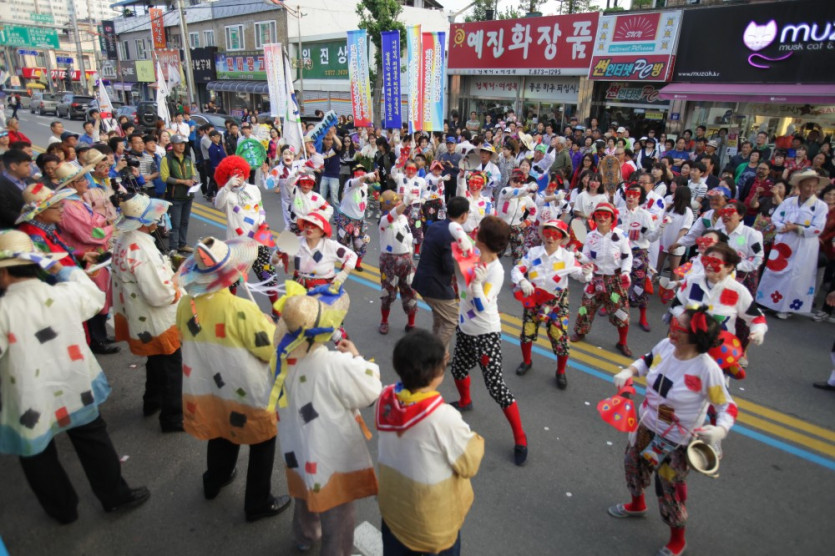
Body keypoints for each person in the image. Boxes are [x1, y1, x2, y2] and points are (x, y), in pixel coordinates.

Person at [0, 230, 150, 524]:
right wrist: (61, 268)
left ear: (4, 273)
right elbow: (94, 296)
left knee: (38, 454)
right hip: (74, 384)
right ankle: (115, 496)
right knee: (93, 439)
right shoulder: (65, 293)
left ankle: (63, 509)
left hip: (28, 396)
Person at [175, 236, 292, 522]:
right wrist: (270, 326)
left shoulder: (186, 304)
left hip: (207, 387)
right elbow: (269, 351)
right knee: (262, 440)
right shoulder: (241, 309)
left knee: (220, 429)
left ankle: (215, 479)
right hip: (244, 390)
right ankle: (257, 502)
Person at [608, 306, 738, 556]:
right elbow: (646, 360)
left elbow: (727, 406)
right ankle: (637, 504)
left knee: (669, 490)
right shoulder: (666, 346)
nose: (671, 329)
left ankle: (677, 539)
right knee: (632, 464)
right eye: (673, 323)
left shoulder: (707, 369)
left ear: (694, 337)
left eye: (678, 326)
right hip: (646, 425)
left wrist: (720, 430)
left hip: (675, 441)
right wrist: (629, 371)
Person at [272, 290, 382, 553]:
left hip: (296, 444)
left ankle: (304, 536)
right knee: (338, 512)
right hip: (330, 452)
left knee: (304, 490)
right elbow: (370, 389)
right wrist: (356, 356)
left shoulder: (280, 360)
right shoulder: (334, 364)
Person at [376, 330, 484, 555]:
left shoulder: (386, 398)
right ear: (437, 372)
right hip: (431, 531)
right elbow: (469, 464)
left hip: (394, 517)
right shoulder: (442, 418)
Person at [450, 215, 528, 466]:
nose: (474, 231)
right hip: (465, 328)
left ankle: (520, 437)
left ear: (483, 239)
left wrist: (476, 284)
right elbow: (452, 225)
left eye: (479, 230)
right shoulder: (471, 252)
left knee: (496, 386)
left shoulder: (495, 271)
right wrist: (461, 238)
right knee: (458, 368)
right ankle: (465, 401)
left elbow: (481, 306)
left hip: (486, 333)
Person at [111, 193, 184, 432]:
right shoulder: (141, 248)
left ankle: (152, 402)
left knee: (155, 360)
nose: (158, 219)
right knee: (170, 366)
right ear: (146, 220)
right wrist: (177, 282)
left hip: (139, 315)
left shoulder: (125, 240)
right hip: (156, 318)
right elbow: (159, 293)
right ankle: (172, 417)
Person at [512, 219, 592, 388]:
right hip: (533, 297)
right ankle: (527, 362)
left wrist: (586, 273)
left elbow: (580, 275)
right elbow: (518, 269)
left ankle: (560, 371)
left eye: (555, 235)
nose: (550, 238)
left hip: (557, 302)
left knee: (560, 338)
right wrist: (522, 281)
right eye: (547, 233)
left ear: (562, 238)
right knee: (527, 332)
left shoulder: (567, 257)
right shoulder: (533, 252)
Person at [757, 168, 829, 319]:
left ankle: (786, 308)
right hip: (785, 241)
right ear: (800, 185)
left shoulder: (821, 206)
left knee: (797, 275)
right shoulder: (789, 202)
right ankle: (767, 302)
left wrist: (797, 228)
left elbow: (818, 228)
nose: (810, 189)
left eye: (813, 186)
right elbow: (776, 218)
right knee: (776, 270)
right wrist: (783, 227)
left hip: (804, 244)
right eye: (807, 185)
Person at [213, 155, 279, 311]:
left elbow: (260, 207)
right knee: (232, 280)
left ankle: (276, 309)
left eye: (240, 173)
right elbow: (217, 204)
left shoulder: (253, 189)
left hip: (258, 241)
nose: (238, 177)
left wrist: (262, 219)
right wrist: (227, 187)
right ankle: (230, 310)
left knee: (268, 276)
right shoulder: (226, 194)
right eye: (234, 174)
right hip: (237, 244)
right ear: (228, 175)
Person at [570, 202, 634, 357]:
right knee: (586, 307)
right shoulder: (590, 236)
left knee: (621, 312)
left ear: (612, 218)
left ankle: (622, 342)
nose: (602, 218)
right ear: (594, 217)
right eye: (599, 215)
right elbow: (588, 258)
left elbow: (627, 257)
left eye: (606, 215)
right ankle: (580, 332)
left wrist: (626, 272)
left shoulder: (621, 235)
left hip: (615, 280)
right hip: (595, 279)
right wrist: (578, 254)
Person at [412, 196, 471, 354]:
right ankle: (434, 354)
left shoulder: (436, 226)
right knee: (452, 320)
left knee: (440, 318)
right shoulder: (452, 235)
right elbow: (447, 266)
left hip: (422, 280)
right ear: (464, 215)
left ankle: (443, 354)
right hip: (436, 285)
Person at [376, 190, 418, 335]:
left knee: (410, 292)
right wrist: (405, 202)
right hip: (389, 261)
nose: (400, 203)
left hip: (406, 260)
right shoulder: (384, 220)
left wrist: (410, 253)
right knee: (387, 293)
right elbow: (392, 215)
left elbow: (407, 238)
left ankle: (411, 323)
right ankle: (384, 321)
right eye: (397, 202)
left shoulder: (404, 218)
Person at [621, 184, 661, 332]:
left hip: (638, 252)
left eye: (635, 194)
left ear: (640, 198)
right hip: (619, 252)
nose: (631, 196)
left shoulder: (645, 215)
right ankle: (613, 308)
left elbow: (651, 237)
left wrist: (661, 228)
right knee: (615, 283)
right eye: (629, 193)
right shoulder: (618, 212)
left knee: (640, 284)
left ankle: (642, 316)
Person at [161, 135, 198, 253]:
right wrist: (183, 182)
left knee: (184, 221)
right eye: (178, 144)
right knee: (175, 223)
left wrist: (193, 180)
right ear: (172, 144)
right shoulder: (167, 159)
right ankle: (173, 247)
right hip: (175, 195)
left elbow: (193, 173)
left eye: (183, 144)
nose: (182, 146)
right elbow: (165, 177)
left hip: (188, 195)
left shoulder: (187, 158)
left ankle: (182, 244)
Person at [335, 165, 375, 271]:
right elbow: (357, 181)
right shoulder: (349, 183)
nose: (361, 174)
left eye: (363, 172)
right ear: (354, 174)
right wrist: (365, 176)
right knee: (344, 243)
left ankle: (358, 263)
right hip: (346, 218)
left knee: (360, 243)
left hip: (359, 219)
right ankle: (344, 264)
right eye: (358, 172)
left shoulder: (365, 186)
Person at [497, 170, 537, 264]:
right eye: (515, 181)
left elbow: (534, 209)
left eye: (521, 182)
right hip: (502, 227)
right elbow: (516, 192)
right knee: (495, 255)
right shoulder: (505, 191)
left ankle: (517, 272)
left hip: (517, 228)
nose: (518, 184)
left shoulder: (526, 197)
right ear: (510, 180)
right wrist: (527, 189)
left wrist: (528, 221)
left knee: (518, 257)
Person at [656, 186, 694, 278]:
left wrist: (676, 244)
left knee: (674, 271)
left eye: (675, 193)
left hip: (676, 244)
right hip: (663, 242)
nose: (673, 195)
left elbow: (684, 230)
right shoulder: (670, 207)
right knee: (656, 267)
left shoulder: (687, 211)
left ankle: (673, 287)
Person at [0, 149, 35, 227]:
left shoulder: (30, 181)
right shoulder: (2, 185)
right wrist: (31, 219)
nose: (29, 168)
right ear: (13, 166)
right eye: (26, 165)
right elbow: (6, 212)